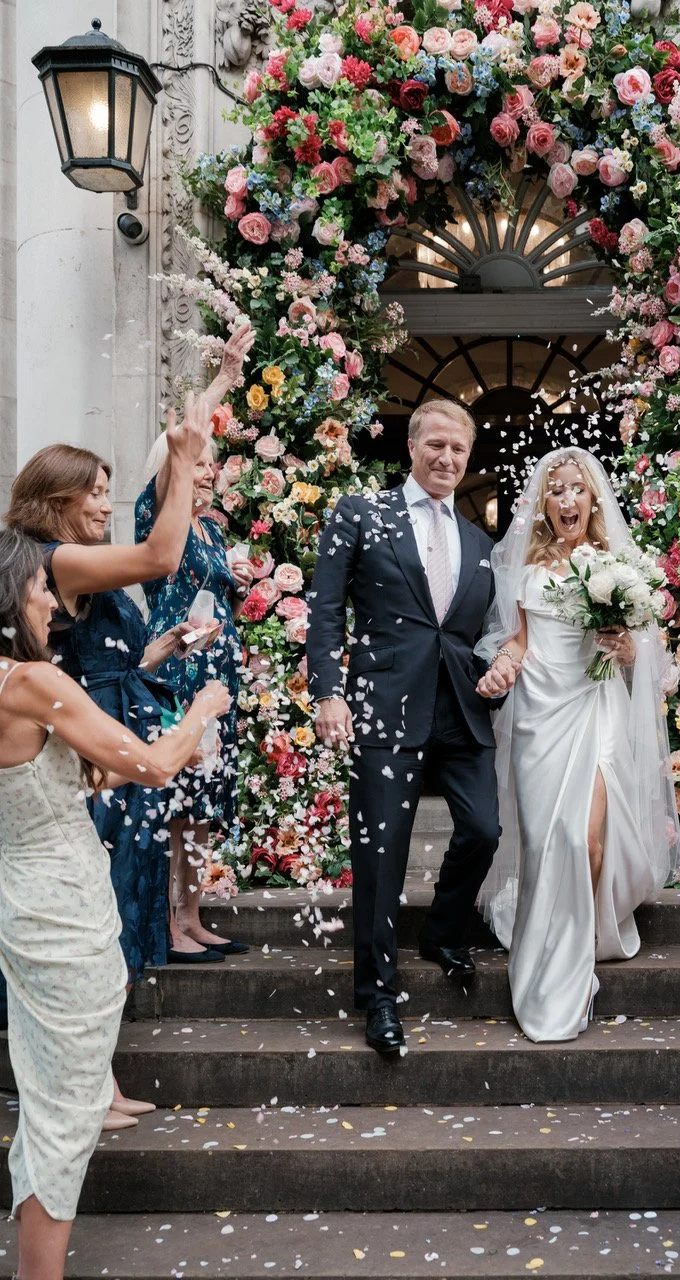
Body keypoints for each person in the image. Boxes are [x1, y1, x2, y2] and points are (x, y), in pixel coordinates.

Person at [4, 325, 253, 1126]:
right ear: (58, 500)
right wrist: (182, 458)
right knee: (91, 926)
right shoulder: (54, 559)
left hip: (108, 734)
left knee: (108, 921)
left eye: (112, 489)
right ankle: (84, 1088)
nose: (107, 504)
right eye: (97, 493)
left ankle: (94, 1082)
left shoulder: (73, 563)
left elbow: (115, 653)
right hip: (87, 752)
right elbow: (159, 555)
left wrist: (163, 650)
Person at [0, 528, 231, 1280]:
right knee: (66, 1115)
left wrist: (150, 669)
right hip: (63, 912)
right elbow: (159, 766)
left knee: (47, 1104)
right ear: (11, 595)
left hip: (23, 898)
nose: (51, 599)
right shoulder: (35, 683)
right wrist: (202, 707)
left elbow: (66, 779)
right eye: (40, 587)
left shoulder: (16, 687)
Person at [307, 400, 502, 1055]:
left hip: (462, 707)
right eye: (436, 445)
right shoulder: (360, 513)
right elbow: (325, 611)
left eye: (458, 450)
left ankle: (444, 931)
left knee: (483, 829)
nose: (446, 459)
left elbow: (488, 630)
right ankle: (379, 997)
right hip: (384, 702)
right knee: (380, 854)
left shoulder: (482, 544)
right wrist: (329, 692)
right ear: (413, 447)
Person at [474, 449, 680, 1042]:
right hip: (540, 715)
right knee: (544, 846)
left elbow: (640, 653)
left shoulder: (616, 564)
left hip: (595, 709)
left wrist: (623, 646)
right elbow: (516, 641)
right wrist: (502, 668)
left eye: (577, 491)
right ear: (543, 502)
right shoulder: (521, 566)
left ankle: (579, 957)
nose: (567, 500)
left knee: (583, 839)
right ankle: (548, 935)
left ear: (593, 500)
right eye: (556, 490)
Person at [135, 406, 255, 960]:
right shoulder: (162, 516)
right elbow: (173, 473)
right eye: (197, 464)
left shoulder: (211, 528)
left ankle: (193, 913)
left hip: (216, 674)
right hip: (177, 671)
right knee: (178, 798)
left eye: (213, 465)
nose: (208, 472)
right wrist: (220, 385)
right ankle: (166, 921)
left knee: (204, 804)